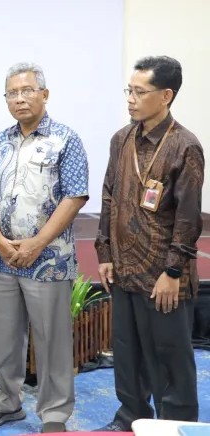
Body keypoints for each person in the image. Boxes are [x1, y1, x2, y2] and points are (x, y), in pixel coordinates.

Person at [0, 63, 89, 434]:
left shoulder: (66, 139)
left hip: (48, 260)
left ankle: (54, 413)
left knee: (52, 340)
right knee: (5, 337)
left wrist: (37, 244)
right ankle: (8, 402)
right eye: (12, 92)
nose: (19, 98)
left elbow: (75, 196)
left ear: (45, 94)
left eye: (27, 90)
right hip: (3, 259)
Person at [94, 56, 203, 432]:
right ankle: (130, 418)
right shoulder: (121, 139)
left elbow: (188, 219)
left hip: (163, 277)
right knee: (128, 353)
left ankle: (177, 426)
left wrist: (173, 271)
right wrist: (105, 254)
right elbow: (108, 196)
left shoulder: (185, 146)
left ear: (166, 95)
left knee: (170, 360)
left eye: (140, 92)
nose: (131, 99)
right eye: (129, 90)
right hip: (124, 270)